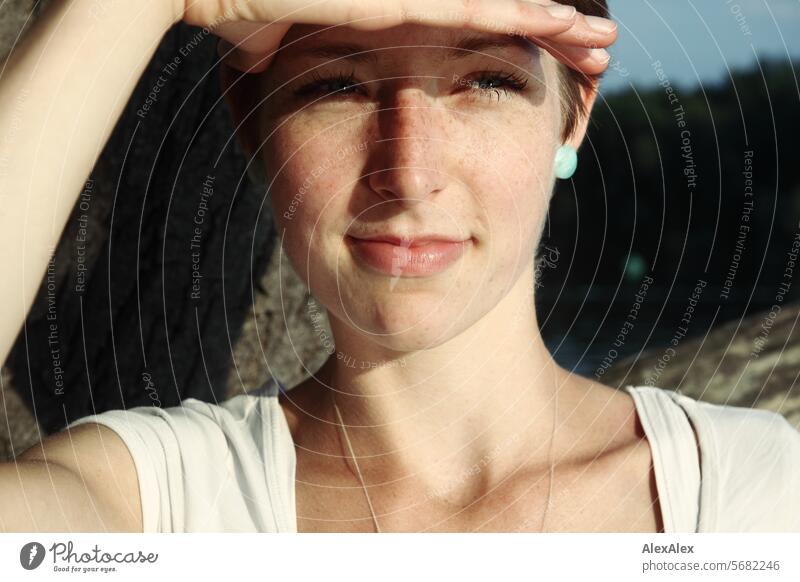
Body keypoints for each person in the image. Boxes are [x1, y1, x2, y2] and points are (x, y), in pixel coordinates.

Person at [0, 0, 797, 534]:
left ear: (572, 116)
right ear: (253, 124)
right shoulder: (157, 505)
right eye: (338, 85)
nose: (409, 173)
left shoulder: (757, 492)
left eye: (486, 81)